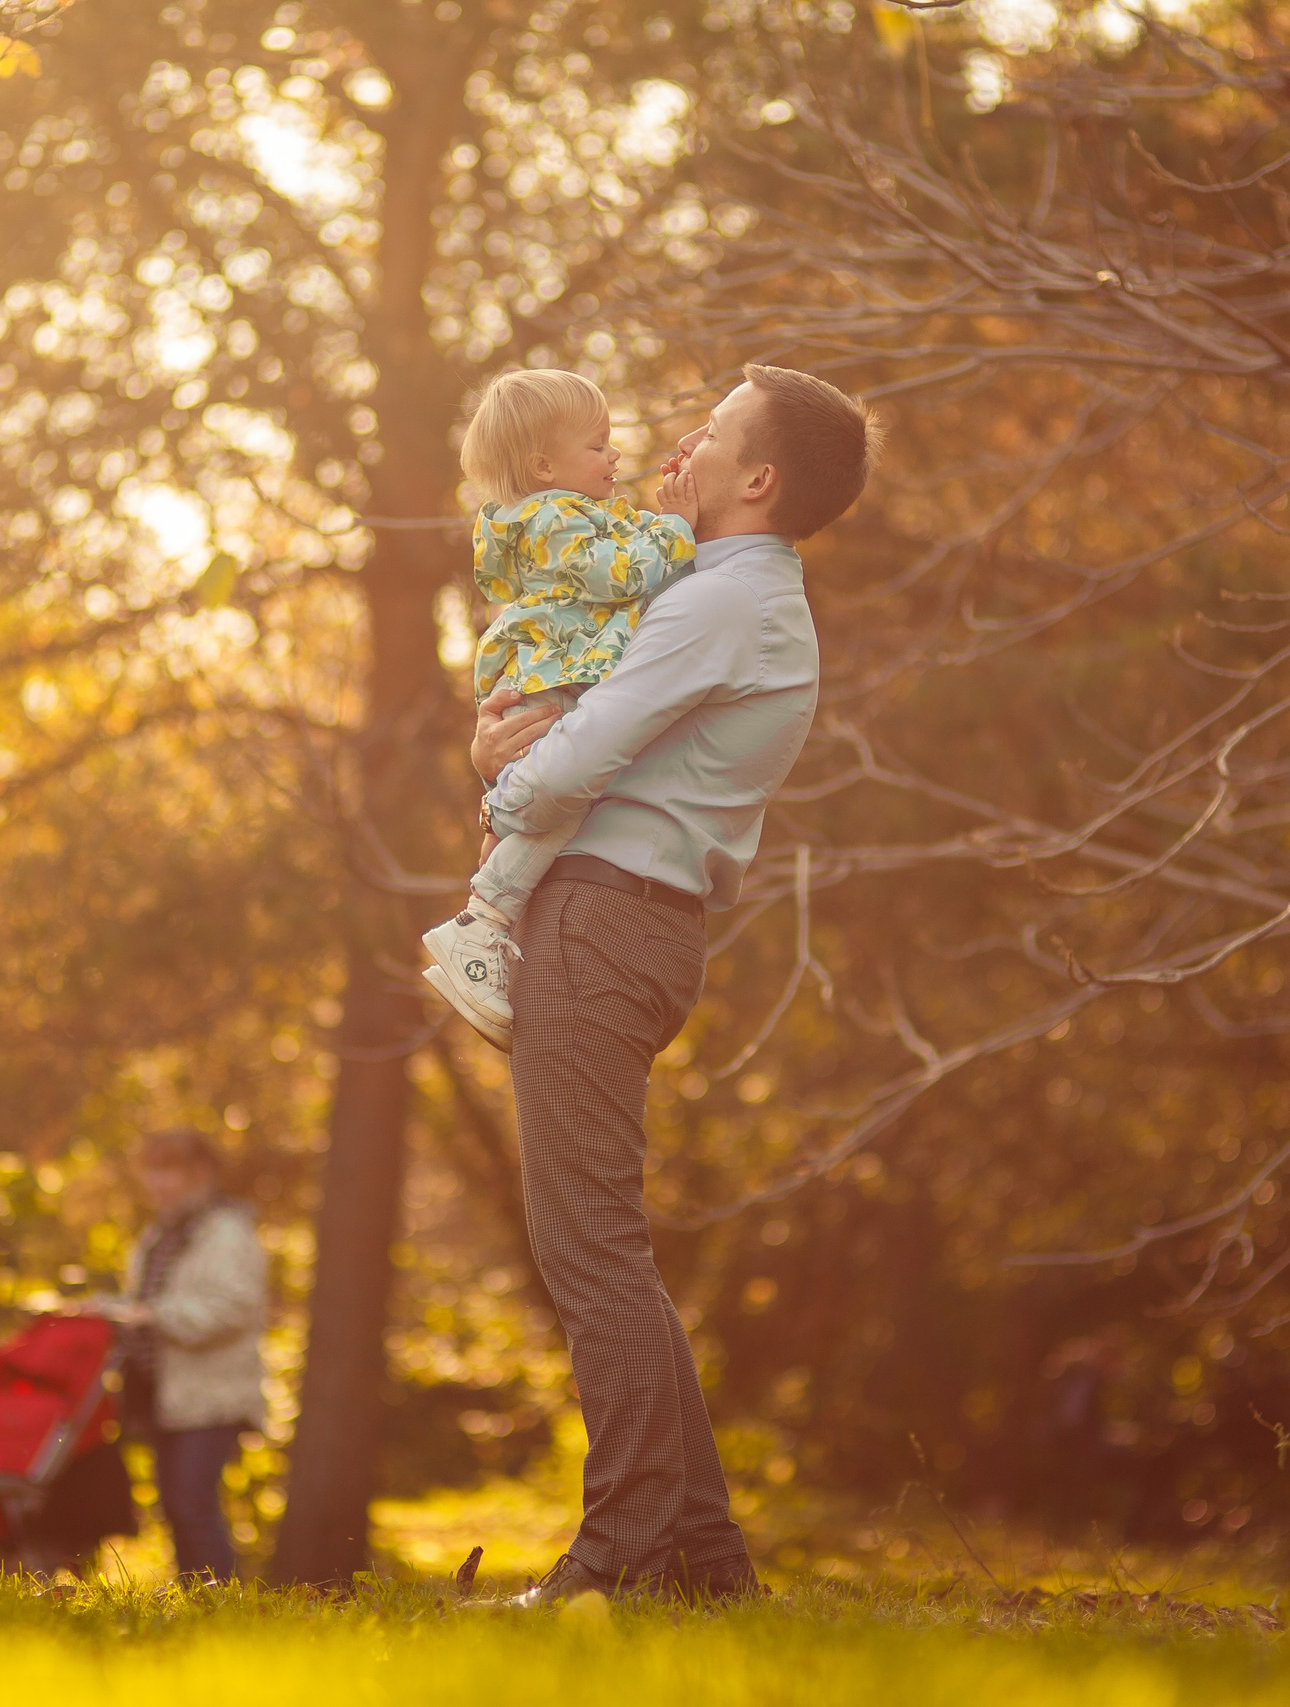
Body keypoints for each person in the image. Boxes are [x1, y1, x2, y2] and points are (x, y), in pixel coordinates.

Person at [468, 365, 879, 1605]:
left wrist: (498, 784)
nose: (681, 444)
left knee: (588, 1248)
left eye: (713, 433)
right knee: (606, 1251)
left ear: (756, 479)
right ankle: (702, 1568)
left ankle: (620, 1555)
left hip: (603, 924)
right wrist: (507, 736)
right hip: (620, 922)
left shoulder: (716, 608)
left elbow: (573, 758)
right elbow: (569, 719)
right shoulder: (708, 592)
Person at [420, 367, 700, 1051]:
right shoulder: (554, 519)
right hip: (560, 676)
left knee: (558, 798)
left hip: (560, 672)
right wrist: (679, 527)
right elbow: (623, 573)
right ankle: (481, 924)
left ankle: (489, 928)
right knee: (567, 794)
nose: (614, 458)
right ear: (544, 465)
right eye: (598, 446)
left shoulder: (567, 516)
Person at [87, 1127, 269, 1580]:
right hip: (163, 1394)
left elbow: (233, 1309)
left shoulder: (226, 1232)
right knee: (174, 1506)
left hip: (211, 1397)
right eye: (152, 1170)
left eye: (168, 1170)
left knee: (193, 1503)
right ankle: (197, 1603)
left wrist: (155, 1316)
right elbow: (143, 1300)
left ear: (201, 1173)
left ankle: (219, 1607)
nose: (157, 1183)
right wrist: (109, 1310)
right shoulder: (159, 1234)